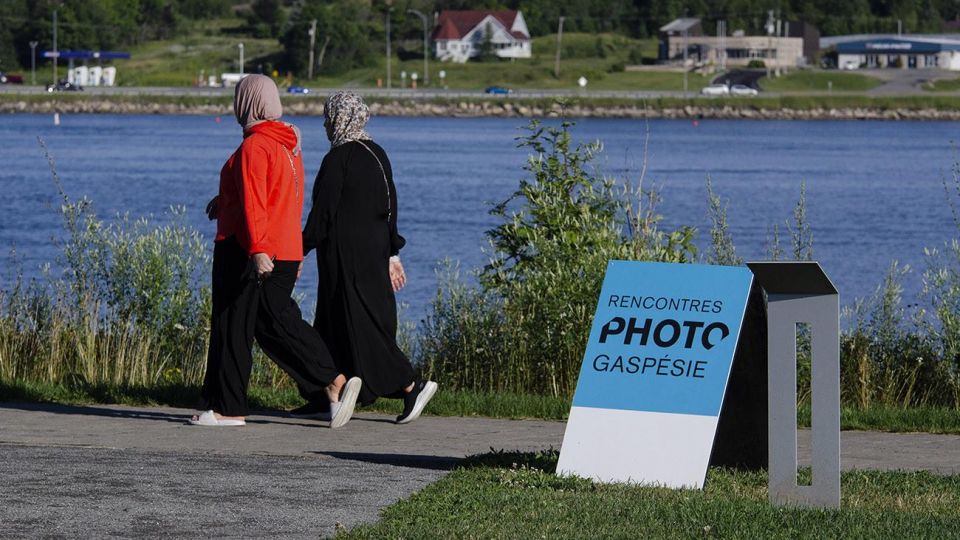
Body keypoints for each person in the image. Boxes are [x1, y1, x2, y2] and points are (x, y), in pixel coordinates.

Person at [192, 75, 361, 429]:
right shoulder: (288, 145)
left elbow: (257, 203)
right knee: (269, 324)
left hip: (250, 248)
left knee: (235, 325)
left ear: (248, 102)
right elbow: (283, 198)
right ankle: (325, 389)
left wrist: (258, 249)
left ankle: (230, 408)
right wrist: (224, 202)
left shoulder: (256, 145)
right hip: (282, 246)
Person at [300, 91, 437, 424]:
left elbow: (324, 213)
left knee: (359, 324)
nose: (325, 123)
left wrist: (299, 247)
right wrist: (393, 252)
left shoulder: (339, 158)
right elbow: (390, 207)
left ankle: (410, 385)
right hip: (373, 252)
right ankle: (325, 394)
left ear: (340, 118)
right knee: (335, 323)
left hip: (346, 257)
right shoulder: (376, 153)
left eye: (328, 117)